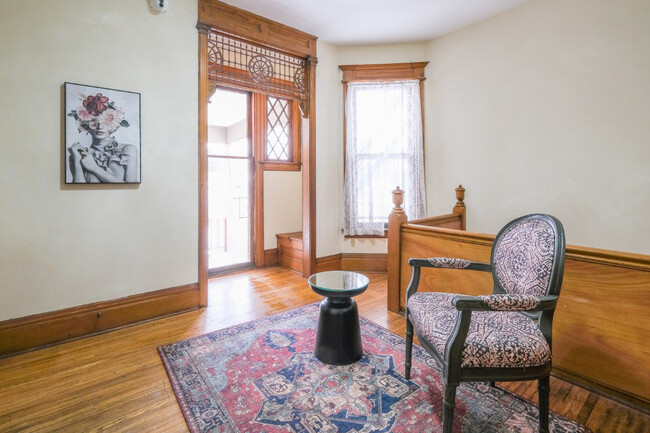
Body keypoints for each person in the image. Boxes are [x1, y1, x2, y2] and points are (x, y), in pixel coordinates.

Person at [67, 92, 138, 183]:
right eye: (94, 122)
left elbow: (130, 187)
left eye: (105, 121)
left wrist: (94, 168)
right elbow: (78, 189)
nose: (100, 127)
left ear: (114, 124)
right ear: (85, 125)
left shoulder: (127, 150)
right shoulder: (79, 154)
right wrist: (77, 160)